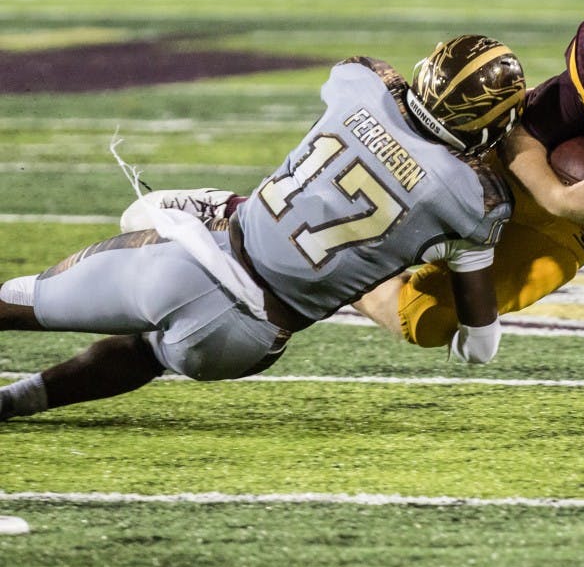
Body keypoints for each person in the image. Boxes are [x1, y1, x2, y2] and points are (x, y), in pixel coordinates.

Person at [113, 0, 584, 444]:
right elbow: (527, 128)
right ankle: (236, 210)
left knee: (428, 321)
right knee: (385, 195)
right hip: (509, 163)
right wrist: (555, 192)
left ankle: (345, 283)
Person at [0, 34, 526, 422]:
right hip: (246, 343)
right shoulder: (475, 204)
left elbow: (370, 76)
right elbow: (479, 348)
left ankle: (219, 206)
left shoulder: (362, 85)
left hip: (191, 268)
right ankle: (11, 403)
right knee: (146, 353)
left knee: (24, 301)